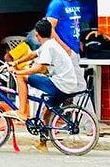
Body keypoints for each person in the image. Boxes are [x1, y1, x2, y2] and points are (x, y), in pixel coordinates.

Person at [15, 18, 84, 150]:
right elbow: (33, 54)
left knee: (22, 78)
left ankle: (22, 112)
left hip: (60, 84)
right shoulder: (51, 44)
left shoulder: (48, 46)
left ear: (37, 35)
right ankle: (42, 143)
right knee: (47, 112)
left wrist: (20, 71)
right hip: (67, 84)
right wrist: (16, 63)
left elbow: (40, 68)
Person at [45, 0, 86, 88]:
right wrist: (65, 48)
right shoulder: (57, 4)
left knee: (73, 85)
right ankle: (83, 107)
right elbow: (50, 29)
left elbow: (76, 25)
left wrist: (80, 42)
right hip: (64, 51)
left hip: (74, 49)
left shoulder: (76, 3)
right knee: (79, 85)